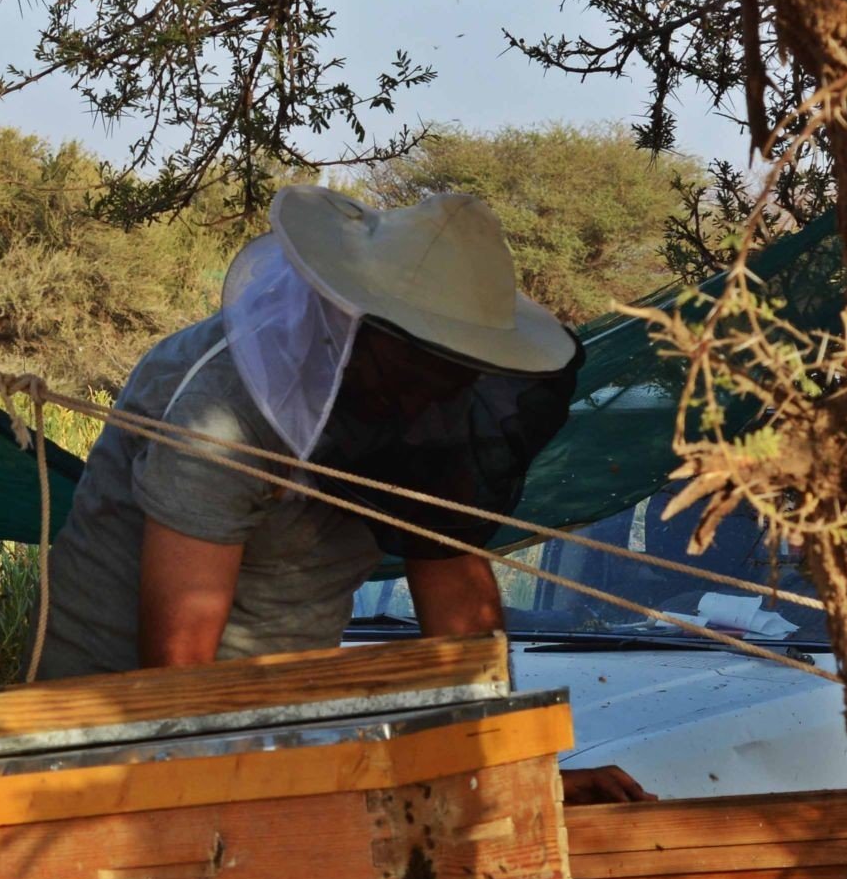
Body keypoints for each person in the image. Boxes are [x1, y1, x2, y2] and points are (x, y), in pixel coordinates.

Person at [38, 186, 582, 678]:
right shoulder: (222, 410)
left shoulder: (432, 406)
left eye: (453, 381)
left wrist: (517, 763)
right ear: (355, 327)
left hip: (283, 712)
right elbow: (180, 667)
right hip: (111, 728)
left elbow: (459, 604)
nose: (429, 402)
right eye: (415, 376)